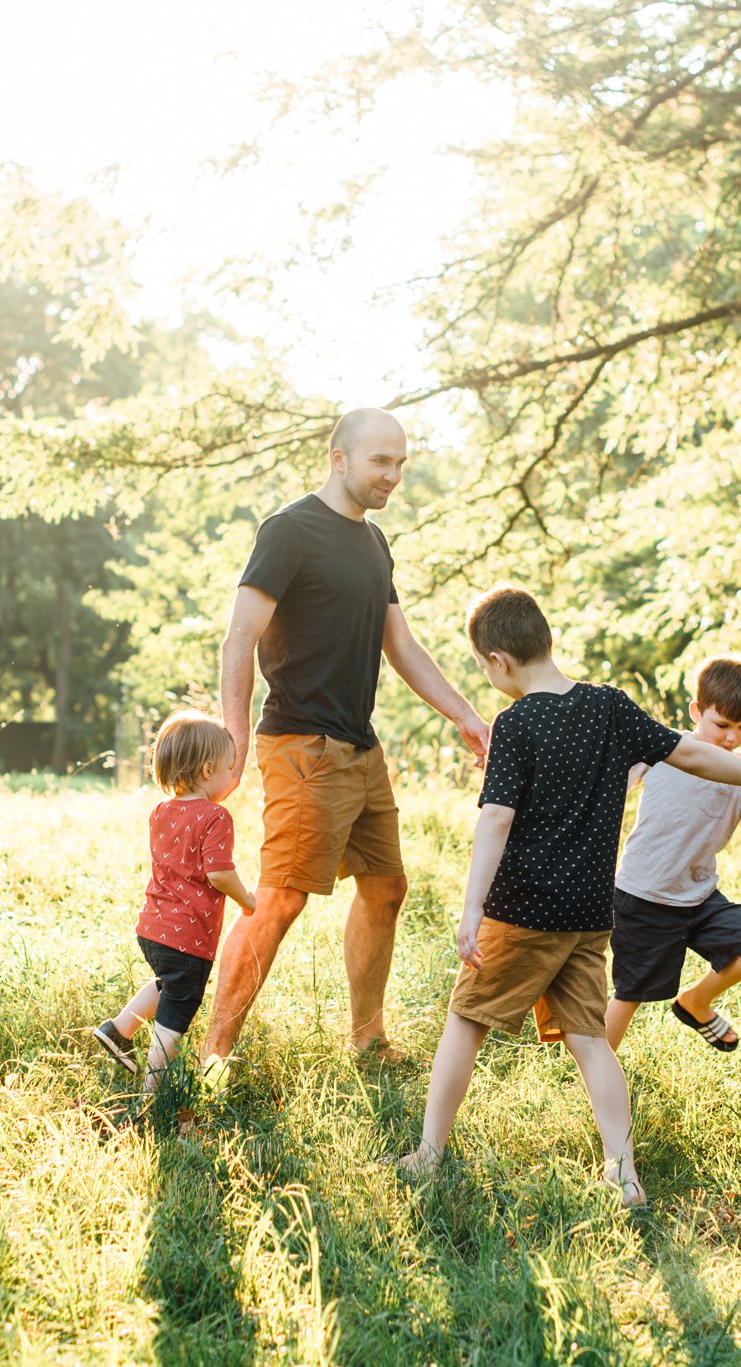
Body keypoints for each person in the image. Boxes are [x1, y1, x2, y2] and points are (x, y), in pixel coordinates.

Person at [394, 586, 741, 1207]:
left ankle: (428, 1154)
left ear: (496, 661)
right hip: (591, 914)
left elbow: (496, 820)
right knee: (589, 1038)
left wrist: (470, 907)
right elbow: (696, 755)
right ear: (549, 642)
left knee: (465, 1022)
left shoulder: (514, 724)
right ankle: (623, 1172)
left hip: (522, 909)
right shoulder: (609, 708)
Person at [203, 408, 491, 1068]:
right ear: (339, 459)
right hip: (301, 742)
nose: (392, 475)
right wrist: (236, 735)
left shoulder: (374, 544)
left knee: (386, 887)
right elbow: (239, 637)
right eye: (380, 462)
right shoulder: (290, 530)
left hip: (360, 747)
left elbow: (402, 644)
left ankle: (367, 1038)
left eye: (400, 464)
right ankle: (213, 1055)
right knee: (280, 897)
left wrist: (467, 715)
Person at [606, 653, 741, 1053]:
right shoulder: (665, 749)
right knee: (630, 993)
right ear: (696, 712)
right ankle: (594, 1074)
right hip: (643, 895)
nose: (732, 738)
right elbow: (612, 783)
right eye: (721, 725)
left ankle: (695, 1001)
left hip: (698, 894)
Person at [93, 710, 257, 1089]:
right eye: (229, 769)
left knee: (168, 983)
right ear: (206, 771)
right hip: (188, 938)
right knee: (178, 1009)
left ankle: (119, 1030)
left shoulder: (161, 812)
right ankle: (155, 1090)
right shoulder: (216, 816)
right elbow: (218, 873)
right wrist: (246, 898)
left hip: (153, 929)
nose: (233, 777)